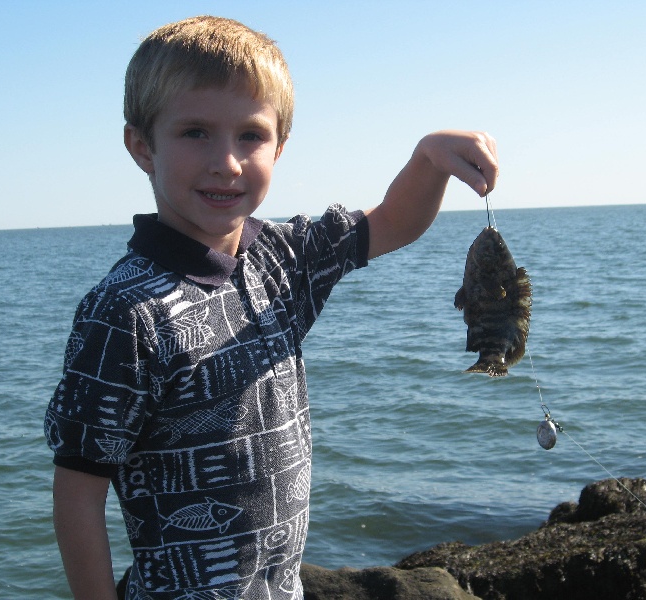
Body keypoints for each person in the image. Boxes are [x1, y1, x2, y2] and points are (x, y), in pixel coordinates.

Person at [44, 14, 498, 600]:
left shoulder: (284, 258)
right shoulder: (123, 312)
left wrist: (430, 158)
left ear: (279, 147)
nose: (226, 162)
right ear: (141, 146)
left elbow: (391, 223)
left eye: (250, 136)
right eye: (195, 132)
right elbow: (78, 493)